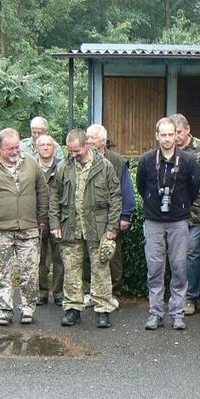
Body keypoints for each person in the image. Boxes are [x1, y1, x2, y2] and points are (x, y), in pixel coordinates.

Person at [0, 128, 49, 326]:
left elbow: (43, 191)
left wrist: (42, 218)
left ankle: (28, 309)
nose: (15, 151)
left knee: (29, 273)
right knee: (0, 273)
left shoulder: (31, 163)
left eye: (17, 147)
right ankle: (5, 309)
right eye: (10, 148)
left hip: (28, 229)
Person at [51, 129, 122, 328]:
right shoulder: (63, 167)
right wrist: (55, 223)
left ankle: (102, 310)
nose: (74, 155)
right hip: (70, 227)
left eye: (77, 151)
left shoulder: (105, 167)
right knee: (71, 270)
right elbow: (54, 197)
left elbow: (116, 197)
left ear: (88, 146)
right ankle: (72, 309)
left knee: (100, 269)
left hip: (97, 228)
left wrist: (112, 226)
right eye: (71, 151)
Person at [136, 117, 200, 330]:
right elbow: (141, 186)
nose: (166, 139)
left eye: (170, 134)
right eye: (162, 135)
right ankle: (155, 312)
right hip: (153, 221)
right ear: (157, 136)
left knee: (179, 268)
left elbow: (194, 188)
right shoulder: (146, 161)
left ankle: (177, 313)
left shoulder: (188, 161)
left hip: (178, 222)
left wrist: (181, 205)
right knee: (154, 268)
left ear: (177, 135)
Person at [86, 124, 136, 296]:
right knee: (89, 255)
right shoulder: (81, 159)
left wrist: (126, 215)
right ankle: (91, 290)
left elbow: (127, 190)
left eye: (92, 137)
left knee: (113, 255)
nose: (88, 141)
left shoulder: (117, 161)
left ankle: (114, 292)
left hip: (111, 217)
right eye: (87, 137)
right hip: (89, 218)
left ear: (102, 141)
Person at [170, 113, 200, 315]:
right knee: (175, 255)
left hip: (198, 212)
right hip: (174, 213)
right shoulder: (168, 150)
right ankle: (176, 294)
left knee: (193, 255)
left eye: (179, 132)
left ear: (188, 130)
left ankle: (190, 298)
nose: (176, 136)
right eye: (173, 132)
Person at [34, 134, 65, 305]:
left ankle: (59, 293)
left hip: (58, 218)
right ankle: (42, 292)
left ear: (54, 148)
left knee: (59, 257)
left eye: (49, 145)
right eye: (42, 145)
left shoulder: (62, 165)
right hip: (37, 217)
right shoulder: (31, 166)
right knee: (39, 257)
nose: (45, 148)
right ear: (36, 148)